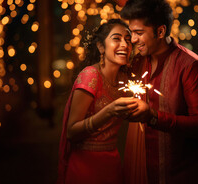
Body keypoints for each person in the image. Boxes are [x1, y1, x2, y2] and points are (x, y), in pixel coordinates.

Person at [120, 0, 198, 184]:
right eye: (131, 33)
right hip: (141, 170)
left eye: (139, 33)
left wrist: (153, 117)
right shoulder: (137, 62)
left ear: (160, 32)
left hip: (180, 173)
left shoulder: (190, 66)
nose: (133, 40)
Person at [57, 18, 138, 184]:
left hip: (112, 164)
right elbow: (71, 132)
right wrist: (108, 111)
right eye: (116, 39)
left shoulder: (125, 79)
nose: (124, 45)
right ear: (101, 46)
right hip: (85, 168)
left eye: (128, 40)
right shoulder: (90, 76)